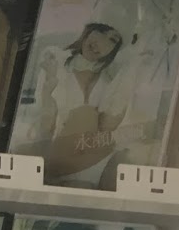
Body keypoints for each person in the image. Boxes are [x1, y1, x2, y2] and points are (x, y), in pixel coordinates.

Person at [34, 20, 131, 185]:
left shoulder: (109, 84)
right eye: (101, 30)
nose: (101, 42)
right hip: (54, 162)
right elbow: (44, 125)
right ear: (89, 30)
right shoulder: (55, 66)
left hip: (94, 165)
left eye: (113, 40)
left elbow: (109, 127)